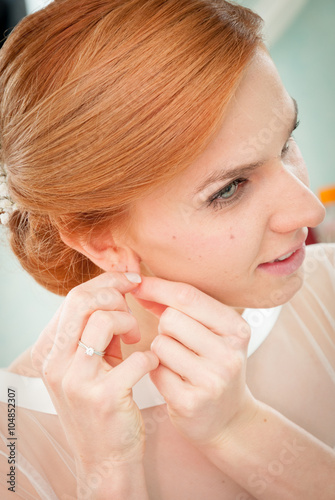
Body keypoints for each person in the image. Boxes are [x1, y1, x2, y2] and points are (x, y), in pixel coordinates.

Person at [0, 0, 334, 498]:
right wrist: (110, 473)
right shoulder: (13, 443)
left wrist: (237, 428)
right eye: (229, 189)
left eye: (286, 142)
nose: (310, 212)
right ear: (101, 241)